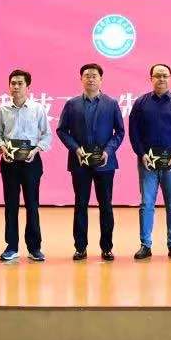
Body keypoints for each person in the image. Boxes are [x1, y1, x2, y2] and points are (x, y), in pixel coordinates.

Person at [56, 63, 126, 262]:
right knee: (81, 204)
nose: (91, 79)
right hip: (80, 162)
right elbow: (62, 130)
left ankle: (107, 247)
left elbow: (120, 132)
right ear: (81, 79)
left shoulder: (111, 104)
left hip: (105, 163)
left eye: (94, 75)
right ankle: (80, 248)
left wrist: (108, 151)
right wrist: (75, 148)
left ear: (101, 79)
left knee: (106, 205)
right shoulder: (72, 104)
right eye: (87, 75)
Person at [129, 63, 171, 260]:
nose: (161, 79)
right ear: (151, 79)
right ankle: (145, 245)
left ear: (170, 78)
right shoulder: (140, 103)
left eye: (165, 75)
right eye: (157, 75)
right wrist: (141, 154)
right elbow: (133, 132)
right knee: (146, 204)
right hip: (147, 162)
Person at [0, 69, 53, 262]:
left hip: (31, 162)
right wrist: (2, 149)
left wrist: (36, 150)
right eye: (13, 83)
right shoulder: (2, 110)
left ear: (28, 87)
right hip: (9, 163)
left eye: (20, 83)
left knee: (32, 205)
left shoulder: (37, 109)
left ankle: (34, 248)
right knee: (11, 205)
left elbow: (46, 135)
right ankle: (11, 246)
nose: (16, 86)